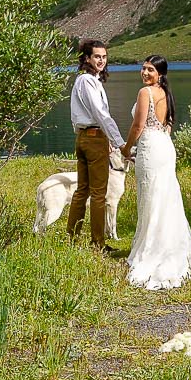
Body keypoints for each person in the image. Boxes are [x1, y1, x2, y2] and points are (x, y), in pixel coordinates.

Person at [122, 55, 191, 290]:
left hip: (150, 148)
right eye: (143, 69)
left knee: (152, 197)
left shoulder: (146, 93)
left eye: (150, 70)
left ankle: (152, 249)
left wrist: (126, 148)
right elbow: (169, 124)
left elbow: (138, 125)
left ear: (160, 74)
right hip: (164, 145)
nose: (145, 73)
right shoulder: (166, 93)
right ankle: (167, 246)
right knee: (165, 196)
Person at [65, 40, 125, 248]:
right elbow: (101, 114)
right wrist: (119, 143)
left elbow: (77, 115)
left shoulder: (81, 80)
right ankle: (98, 243)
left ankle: (72, 238)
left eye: (104, 57)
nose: (101, 60)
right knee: (99, 193)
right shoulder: (88, 81)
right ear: (87, 58)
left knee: (82, 190)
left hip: (83, 137)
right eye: (97, 56)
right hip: (94, 137)